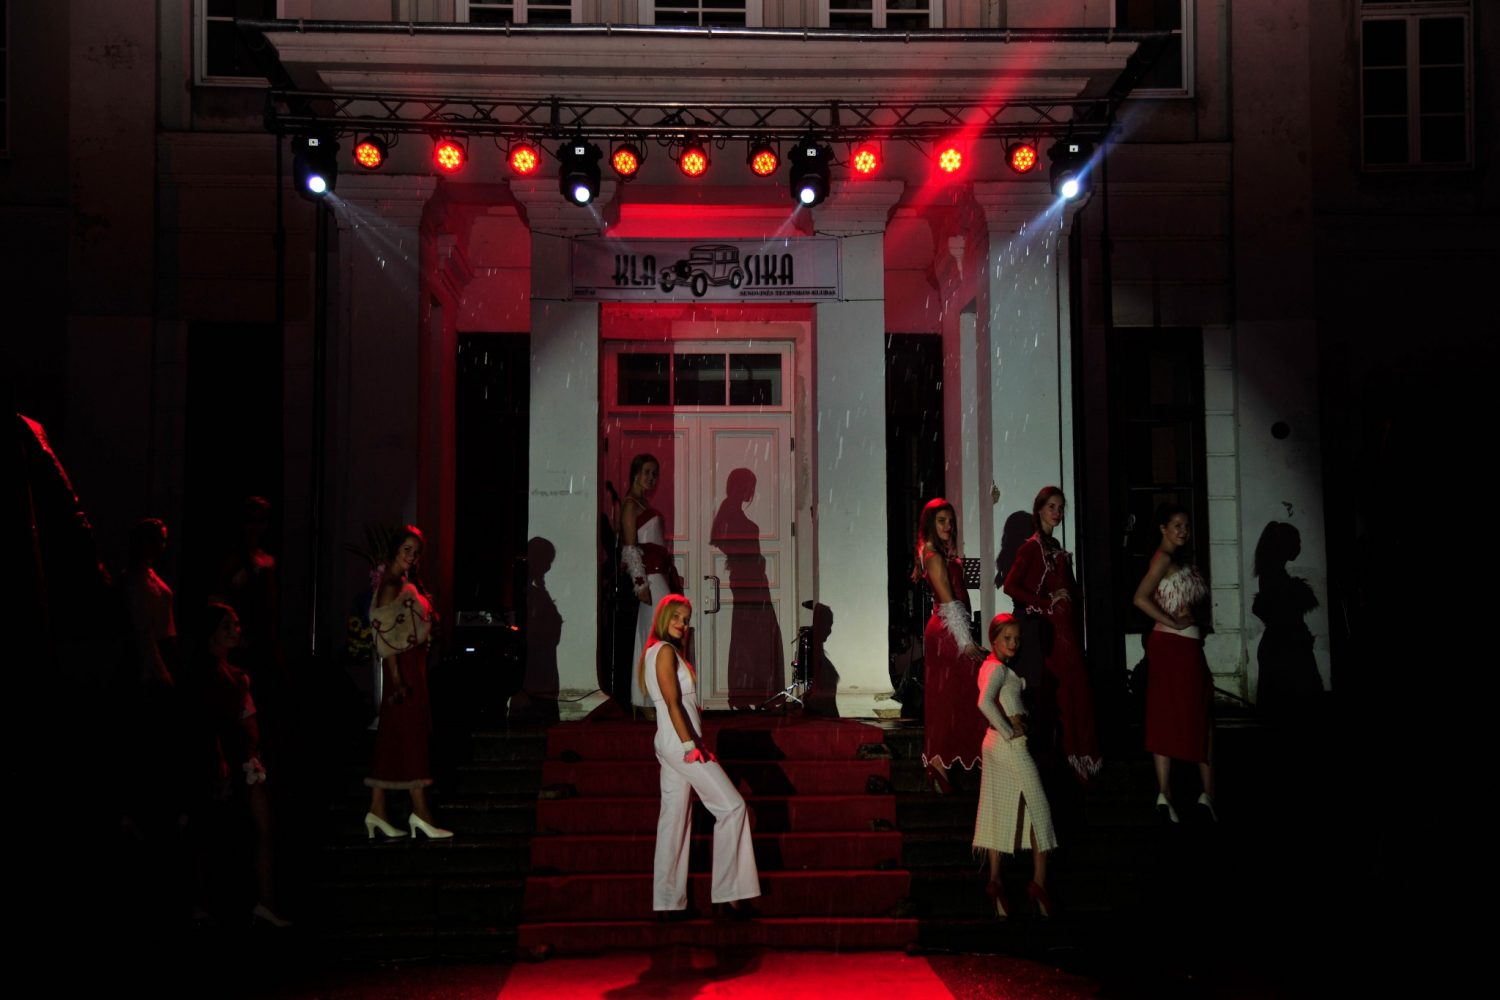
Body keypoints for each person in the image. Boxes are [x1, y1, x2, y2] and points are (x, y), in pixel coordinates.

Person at [641, 595, 760, 919]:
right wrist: (688, 745)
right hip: (680, 743)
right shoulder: (664, 652)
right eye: (676, 617)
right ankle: (728, 895)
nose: (682, 624)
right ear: (663, 617)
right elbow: (672, 703)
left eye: (686, 619)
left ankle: (667, 903)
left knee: (674, 818)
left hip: (672, 741)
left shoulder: (658, 652)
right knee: (732, 807)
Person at [184, 601, 289, 927]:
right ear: (211, 632)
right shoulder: (209, 673)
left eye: (237, 624)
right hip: (233, 760)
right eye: (227, 626)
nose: (235, 631)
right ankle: (231, 902)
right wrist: (221, 757)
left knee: (261, 830)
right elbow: (209, 720)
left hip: (247, 757)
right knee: (231, 830)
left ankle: (262, 901)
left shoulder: (233, 672)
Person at [1002, 487, 1102, 781]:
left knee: (1077, 690)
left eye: (1060, 507)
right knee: (1064, 693)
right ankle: (1069, 757)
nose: (1057, 513)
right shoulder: (1031, 547)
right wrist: (1046, 602)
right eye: (1051, 507)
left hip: (1066, 631)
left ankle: (1080, 756)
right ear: (1039, 510)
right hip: (1050, 634)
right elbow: (1010, 586)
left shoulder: (1054, 545)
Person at [364, 526, 452, 840]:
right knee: (411, 736)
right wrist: (398, 682)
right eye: (406, 550)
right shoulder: (391, 584)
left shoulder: (401, 581)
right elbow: (387, 639)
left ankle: (377, 809)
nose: (411, 557)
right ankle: (420, 812)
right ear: (394, 550)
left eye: (415, 552)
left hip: (411, 668)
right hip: (404, 673)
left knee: (395, 736)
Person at [1132, 504, 1216, 823]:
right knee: (1181, 716)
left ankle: (1183, 795)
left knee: (1192, 714)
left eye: (1187, 526)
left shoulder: (1174, 559)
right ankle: (1176, 793)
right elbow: (1140, 597)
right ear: (1163, 528)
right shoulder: (1163, 558)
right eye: (1177, 525)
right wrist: (1174, 622)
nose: (1184, 531)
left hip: (1183, 647)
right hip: (1174, 647)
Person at [973, 614, 1057, 918]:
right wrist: (1010, 730)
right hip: (1010, 746)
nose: (1014, 644)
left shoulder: (992, 666)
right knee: (1039, 810)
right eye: (1007, 638)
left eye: (1017, 639)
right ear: (994, 639)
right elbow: (984, 702)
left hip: (995, 744)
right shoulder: (996, 669)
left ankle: (996, 881)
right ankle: (1039, 883)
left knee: (999, 810)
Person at [915, 498, 987, 792]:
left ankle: (941, 762)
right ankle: (940, 761)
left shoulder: (938, 553)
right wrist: (965, 641)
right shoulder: (932, 555)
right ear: (930, 524)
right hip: (948, 633)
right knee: (960, 693)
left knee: (952, 695)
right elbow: (948, 601)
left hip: (949, 631)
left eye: (950, 521)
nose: (948, 526)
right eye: (941, 521)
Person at [1251, 521, 1323, 721]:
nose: (1299, 547)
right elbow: (1277, 610)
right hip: (1285, 648)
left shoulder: (1271, 574)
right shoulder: (1275, 576)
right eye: (1296, 542)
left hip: (1281, 645)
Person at [621, 454, 675, 714]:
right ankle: (646, 699)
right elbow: (630, 547)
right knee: (655, 637)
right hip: (650, 579)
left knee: (656, 637)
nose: (651, 478)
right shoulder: (630, 505)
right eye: (647, 472)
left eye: (655, 473)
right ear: (635, 473)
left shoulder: (643, 503)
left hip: (660, 575)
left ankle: (649, 698)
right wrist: (640, 584)